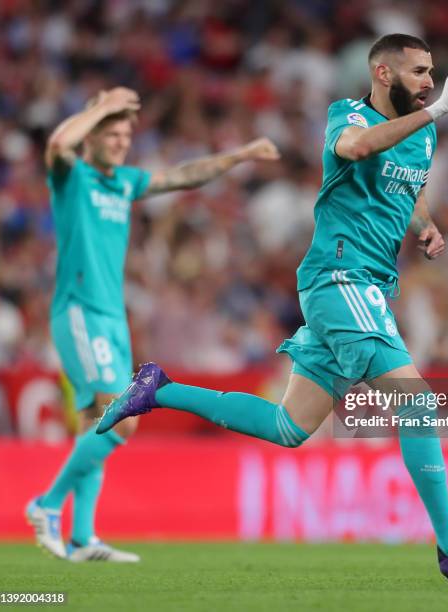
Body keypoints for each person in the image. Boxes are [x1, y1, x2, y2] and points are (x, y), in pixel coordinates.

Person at [97, 35, 448, 578]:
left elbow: (409, 186)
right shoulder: (347, 114)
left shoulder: (425, 133)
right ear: (383, 73)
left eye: (432, 71)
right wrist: (438, 107)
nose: (428, 80)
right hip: (339, 276)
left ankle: (159, 388)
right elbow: (357, 149)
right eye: (419, 70)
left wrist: (425, 225)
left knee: (289, 426)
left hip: (364, 283)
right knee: (417, 404)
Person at [26, 87, 280, 562]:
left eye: (126, 134)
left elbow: (183, 176)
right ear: (92, 136)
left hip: (112, 314)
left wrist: (240, 155)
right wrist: (99, 108)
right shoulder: (72, 177)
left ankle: (82, 538)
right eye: (112, 134)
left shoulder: (124, 182)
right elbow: (57, 147)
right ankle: (46, 504)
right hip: (80, 310)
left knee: (94, 422)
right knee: (120, 421)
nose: (122, 142)